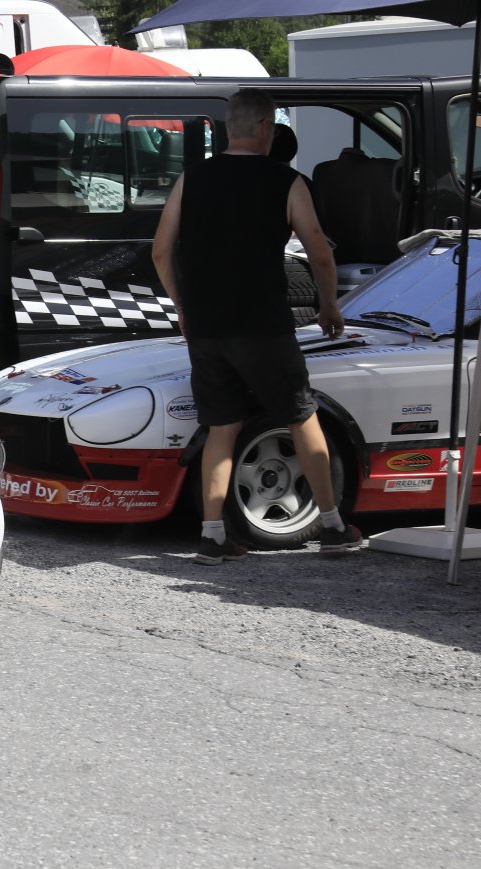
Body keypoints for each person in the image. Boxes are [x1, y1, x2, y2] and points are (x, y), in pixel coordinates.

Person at [152, 88, 362, 565]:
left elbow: (161, 250)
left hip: (206, 326)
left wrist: (183, 304)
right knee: (300, 415)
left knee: (221, 426)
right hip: (263, 324)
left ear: (230, 127)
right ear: (266, 127)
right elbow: (319, 251)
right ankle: (333, 526)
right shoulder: (286, 181)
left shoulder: (192, 178)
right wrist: (330, 306)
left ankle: (212, 536)